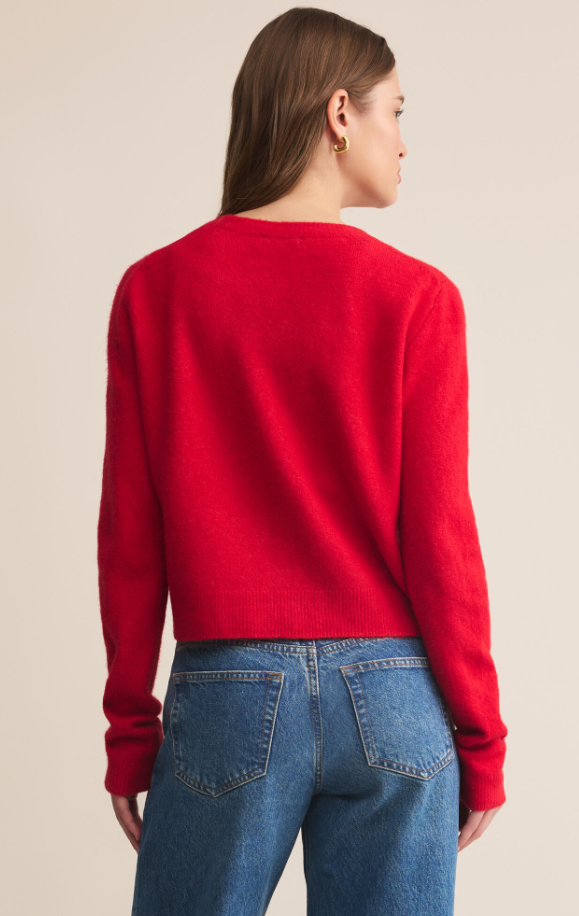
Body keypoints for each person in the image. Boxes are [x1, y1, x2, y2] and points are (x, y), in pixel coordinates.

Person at [97, 7, 508, 915]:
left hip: (228, 687)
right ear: (338, 113)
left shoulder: (156, 291)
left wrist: (131, 729)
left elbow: (130, 538)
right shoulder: (418, 299)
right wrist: (480, 733)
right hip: (394, 693)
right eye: (395, 111)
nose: (403, 141)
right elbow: (441, 536)